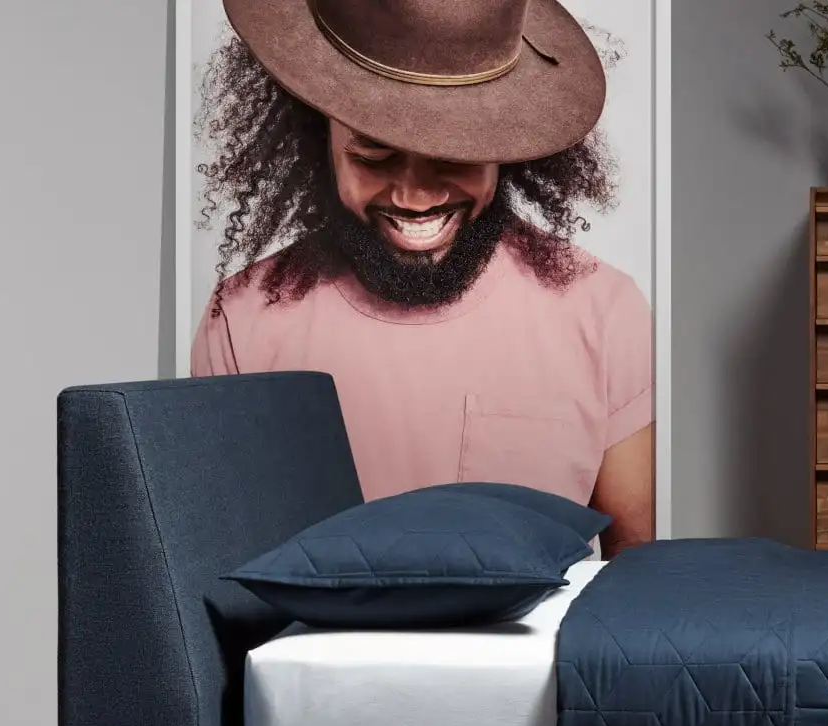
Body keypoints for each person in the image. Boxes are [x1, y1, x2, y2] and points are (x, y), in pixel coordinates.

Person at [191, 0, 654, 554]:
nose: (414, 198)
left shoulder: (602, 310)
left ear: (507, 152)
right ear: (321, 143)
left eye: (453, 157)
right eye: (374, 157)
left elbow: (634, 582)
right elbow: (217, 570)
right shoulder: (242, 323)